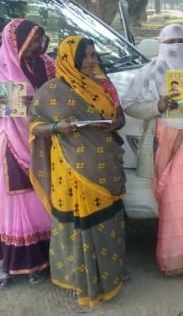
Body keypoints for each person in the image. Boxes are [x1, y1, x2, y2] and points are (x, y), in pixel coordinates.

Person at [29, 36, 127, 307]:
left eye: (94, 55)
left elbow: (120, 118)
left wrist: (113, 124)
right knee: (75, 224)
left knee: (108, 221)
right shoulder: (51, 90)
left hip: (106, 165)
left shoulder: (105, 86)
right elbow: (34, 126)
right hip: (70, 167)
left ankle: (112, 273)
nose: (90, 61)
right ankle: (76, 280)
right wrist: (57, 128)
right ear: (67, 59)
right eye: (84, 56)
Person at [121, 25, 183, 286]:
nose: (175, 46)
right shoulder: (148, 73)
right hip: (165, 143)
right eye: (169, 41)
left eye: (181, 41)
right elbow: (129, 105)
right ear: (160, 44)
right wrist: (158, 105)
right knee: (175, 205)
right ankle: (180, 259)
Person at [0, 19, 54, 288]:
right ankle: (16, 262)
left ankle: (43, 259)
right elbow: (7, 107)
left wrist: (39, 103)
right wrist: (12, 103)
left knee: (42, 199)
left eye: (37, 40)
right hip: (12, 142)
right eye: (30, 41)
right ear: (15, 42)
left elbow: (58, 94)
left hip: (44, 141)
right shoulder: (2, 66)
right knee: (19, 200)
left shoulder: (47, 64)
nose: (34, 46)